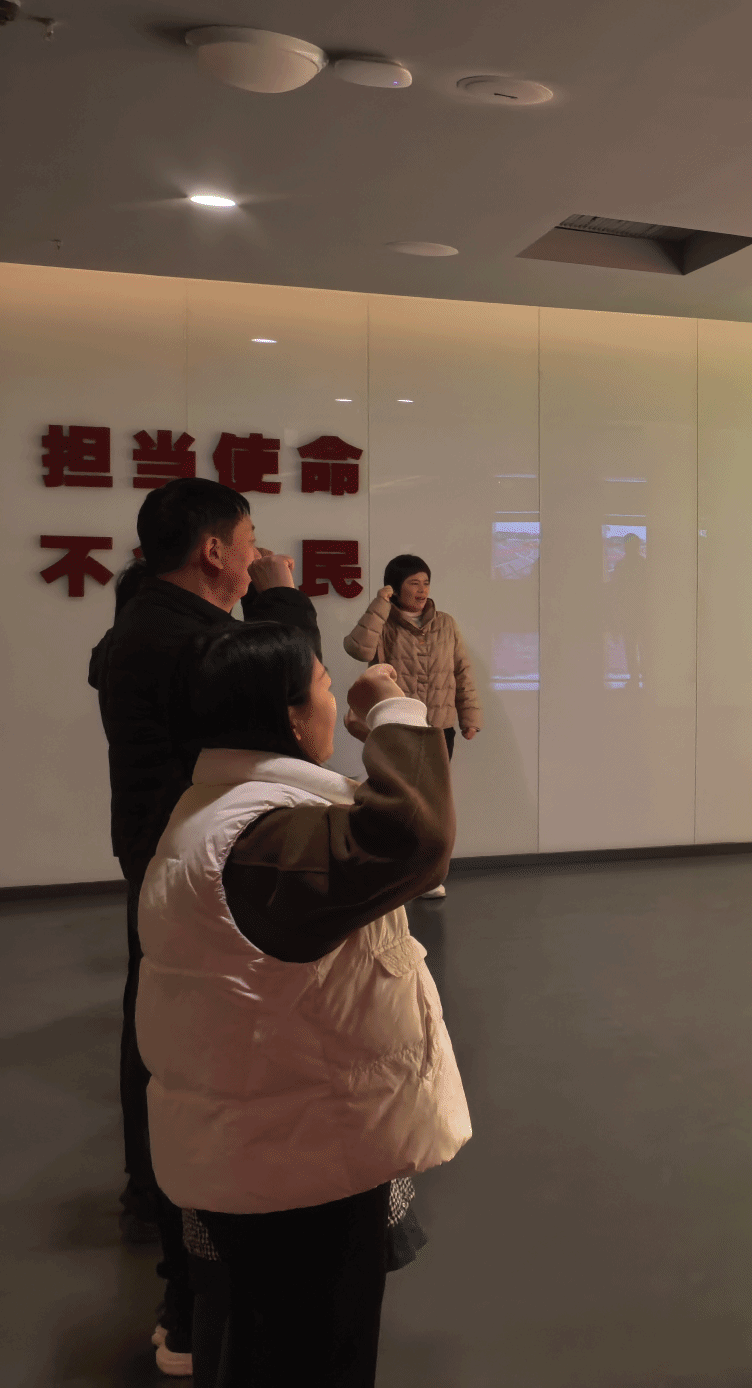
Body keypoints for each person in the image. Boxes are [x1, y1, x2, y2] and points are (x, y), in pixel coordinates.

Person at [137, 631, 469, 1388]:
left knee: (260, 1340)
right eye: (323, 683)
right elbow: (415, 839)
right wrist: (391, 711)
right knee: (308, 1351)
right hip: (294, 1164)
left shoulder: (222, 814)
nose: (333, 696)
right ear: (289, 717)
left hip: (264, 1142)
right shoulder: (259, 839)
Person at [88, 478, 318, 1375]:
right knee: (196, 1067)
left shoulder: (146, 624)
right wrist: (281, 600)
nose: (259, 552)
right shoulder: (184, 638)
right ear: (214, 550)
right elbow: (287, 696)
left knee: (166, 1044)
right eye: (249, 537)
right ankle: (188, 1293)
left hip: (164, 856)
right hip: (194, 862)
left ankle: (177, 1260)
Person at [343, 556, 479, 900]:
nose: (422, 590)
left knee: (434, 804)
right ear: (395, 587)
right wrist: (380, 603)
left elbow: (461, 671)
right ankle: (396, 872)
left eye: (426, 582)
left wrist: (470, 716)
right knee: (398, 801)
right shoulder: (384, 623)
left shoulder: (446, 624)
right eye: (413, 583)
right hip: (398, 725)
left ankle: (428, 876)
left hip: (439, 727)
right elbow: (357, 648)